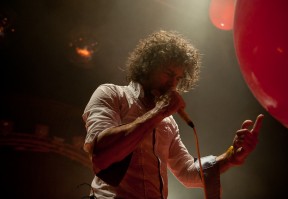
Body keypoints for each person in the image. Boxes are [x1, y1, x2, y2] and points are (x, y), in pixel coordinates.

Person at [82, 30, 264, 199]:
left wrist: (231, 156)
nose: (172, 84)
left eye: (178, 78)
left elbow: (187, 172)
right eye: (168, 74)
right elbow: (101, 153)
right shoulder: (112, 94)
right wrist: (159, 112)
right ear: (147, 66)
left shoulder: (168, 122)